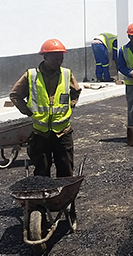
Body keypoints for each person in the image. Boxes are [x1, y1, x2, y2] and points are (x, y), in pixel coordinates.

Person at [10, 39, 81, 177]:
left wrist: (70, 106)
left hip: (62, 132)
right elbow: (15, 95)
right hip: (40, 133)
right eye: (55, 59)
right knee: (42, 171)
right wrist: (28, 111)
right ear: (45, 57)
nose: (59, 62)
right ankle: (44, 191)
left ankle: (65, 191)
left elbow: (76, 91)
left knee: (66, 169)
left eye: (61, 59)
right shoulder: (31, 76)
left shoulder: (66, 74)